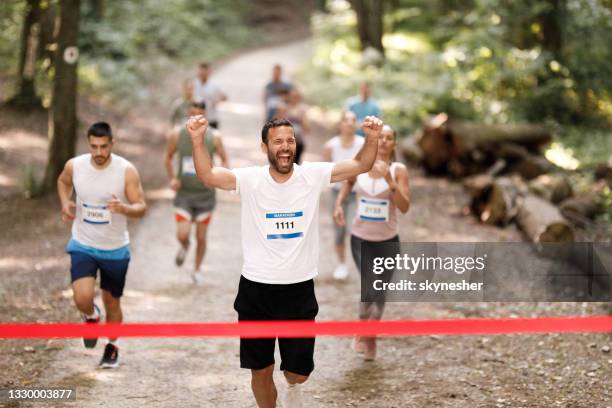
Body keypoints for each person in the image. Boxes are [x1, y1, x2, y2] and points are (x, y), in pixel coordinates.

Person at [186, 114, 383, 408]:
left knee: (297, 374)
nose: (285, 146)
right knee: (261, 369)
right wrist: (198, 140)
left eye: (290, 140)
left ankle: (293, 385)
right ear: (265, 147)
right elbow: (209, 175)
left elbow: (360, 165)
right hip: (256, 289)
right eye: (277, 141)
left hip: (298, 289)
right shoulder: (251, 179)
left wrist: (372, 137)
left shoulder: (312, 175)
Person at [57, 121, 147, 368]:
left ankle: (112, 345)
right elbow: (63, 182)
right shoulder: (75, 166)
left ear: (112, 144)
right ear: (89, 144)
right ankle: (90, 316)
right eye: (94, 146)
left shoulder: (125, 170)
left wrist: (125, 208)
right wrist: (65, 203)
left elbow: (141, 206)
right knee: (82, 297)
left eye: (103, 147)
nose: (98, 152)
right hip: (83, 243)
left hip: (115, 249)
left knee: (112, 302)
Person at [333, 124, 410, 361]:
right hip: (360, 238)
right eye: (382, 137)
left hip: (387, 240)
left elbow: (405, 207)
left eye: (389, 138)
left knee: (380, 290)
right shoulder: (360, 165)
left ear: (394, 143)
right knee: (370, 286)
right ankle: (362, 329)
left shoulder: (398, 170)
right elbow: (347, 184)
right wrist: (339, 205)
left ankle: (371, 336)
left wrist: (390, 180)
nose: (384, 141)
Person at [165, 102, 229, 284]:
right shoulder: (177, 134)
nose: (196, 117)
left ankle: (197, 270)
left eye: (199, 113)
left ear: (205, 115)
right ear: (188, 114)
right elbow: (168, 157)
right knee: (182, 234)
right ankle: (185, 246)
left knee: (201, 236)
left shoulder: (214, 137)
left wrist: (218, 179)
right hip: (184, 194)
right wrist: (172, 178)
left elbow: (224, 159)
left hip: (205, 195)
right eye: (192, 113)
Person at [322, 111, 364, 280]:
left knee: (354, 229)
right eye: (346, 120)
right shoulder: (331, 146)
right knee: (339, 231)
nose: (349, 123)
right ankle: (341, 265)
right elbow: (324, 172)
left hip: (357, 194)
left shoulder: (363, 144)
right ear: (340, 124)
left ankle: (362, 265)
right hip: (336, 194)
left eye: (353, 120)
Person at [193, 62, 227, 129]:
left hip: (211, 118)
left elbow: (224, 97)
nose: (202, 73)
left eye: (204, 71)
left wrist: (217, 101)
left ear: (209, 71)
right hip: (196, 119)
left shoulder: (215, 85)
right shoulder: (194, 84)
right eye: (201, 71)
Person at [285, 88, 310, 164]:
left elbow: (307, 127)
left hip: (298, 141)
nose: (294, 98)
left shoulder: (303, 110)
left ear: (299, 98)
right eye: (292, 96)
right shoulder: (284, 108)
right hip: (285, 142)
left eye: (296, 96)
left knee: (296, 164)